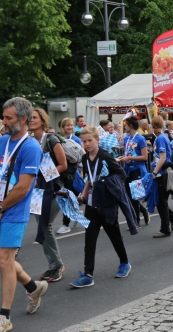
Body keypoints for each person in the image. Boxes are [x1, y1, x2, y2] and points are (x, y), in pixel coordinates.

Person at [0, 97, 48, 332]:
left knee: (5, 260)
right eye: (4, 117)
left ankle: (4, 317)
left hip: (13, 211)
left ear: (23, 120)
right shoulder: (0, 142)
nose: (3, 122)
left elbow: (24, 187)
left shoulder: (31, 147)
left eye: (8, 118)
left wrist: (1, 209)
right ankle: (33, 287)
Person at [71, 126, 138, 288]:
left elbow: (121, 175)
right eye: (84, 141)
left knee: (114, 234)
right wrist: (84, 193)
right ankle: (88, 274)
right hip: (92, 202)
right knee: (89, 239)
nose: (87, 144)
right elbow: (89, 177)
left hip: (107, 202)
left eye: (90, 140)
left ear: (97, 140)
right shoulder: (85, 158)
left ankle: (124, 263)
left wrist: (107, 182)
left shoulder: (106, 156)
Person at [31, 107, 68, 283]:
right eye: (29, 118)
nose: (31, 120)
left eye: (34, 117)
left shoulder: (51, 139)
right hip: (37, 191)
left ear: (43, 121)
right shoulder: (29, 141)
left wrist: (43, 178)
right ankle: (53, 264)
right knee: (43, 227)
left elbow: (63, 164)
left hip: (54, 189)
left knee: (45, 226)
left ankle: (57, 265)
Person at [117, 116, 151, 226]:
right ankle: (143, 211)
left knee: (135, 196)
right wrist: (124, 157)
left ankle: (136, 222)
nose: (125, 127)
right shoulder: (127, 138)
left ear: (130, 126)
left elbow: (144, 157)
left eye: (126, 125)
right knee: (128, 197)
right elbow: (128, 152)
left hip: (137, 169)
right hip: (128, 169)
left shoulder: (140, 139)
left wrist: (129, 158)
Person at [150, 115, 173, 237]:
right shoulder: (161, 137)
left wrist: (155, 172)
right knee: (161, 201)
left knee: (162, 202)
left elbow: (162, 157)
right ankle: (172, 217)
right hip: (161, 172)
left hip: (162, 173)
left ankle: (165, 229)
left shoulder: (160, 138)